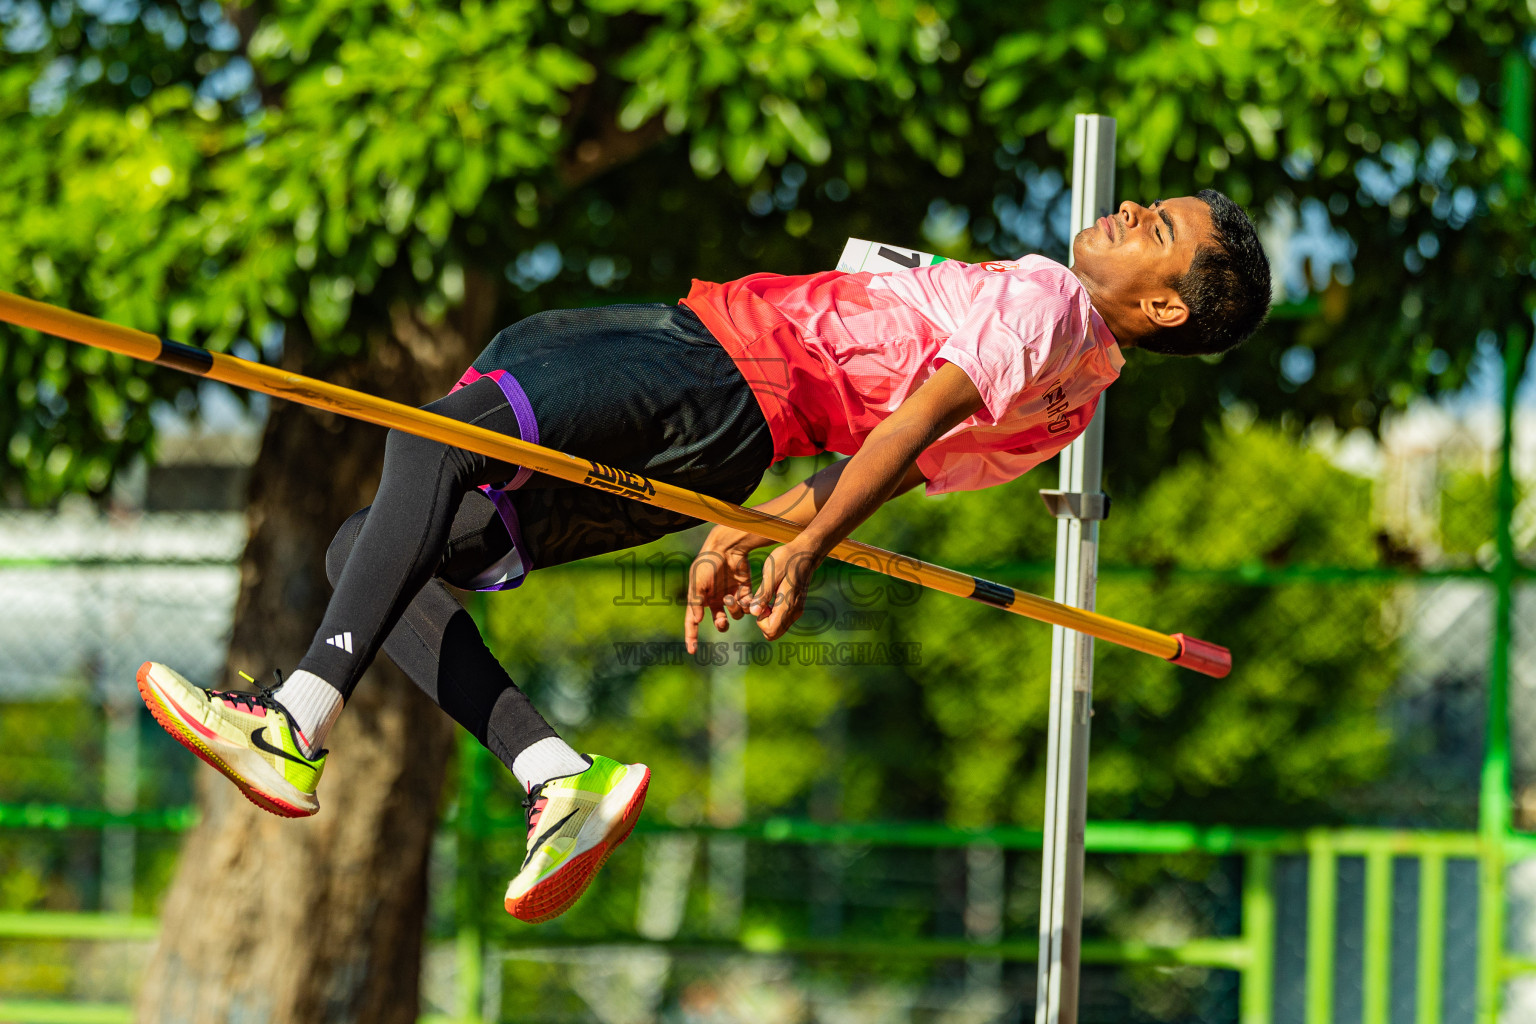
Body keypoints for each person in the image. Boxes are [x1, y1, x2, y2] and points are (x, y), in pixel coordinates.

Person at [137, 189, 1271, 924]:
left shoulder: (1047, 300)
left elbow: (918, 425)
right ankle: (553, 777)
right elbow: (887, 455)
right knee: (371, 546)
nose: (1126, 210)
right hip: (734, 433)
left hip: (717, 368)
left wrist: (808, 542)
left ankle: (292, 723)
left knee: (430, 440)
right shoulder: (1071, 406)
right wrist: (767, 522)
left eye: (1155, 229)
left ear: (1164, 304)